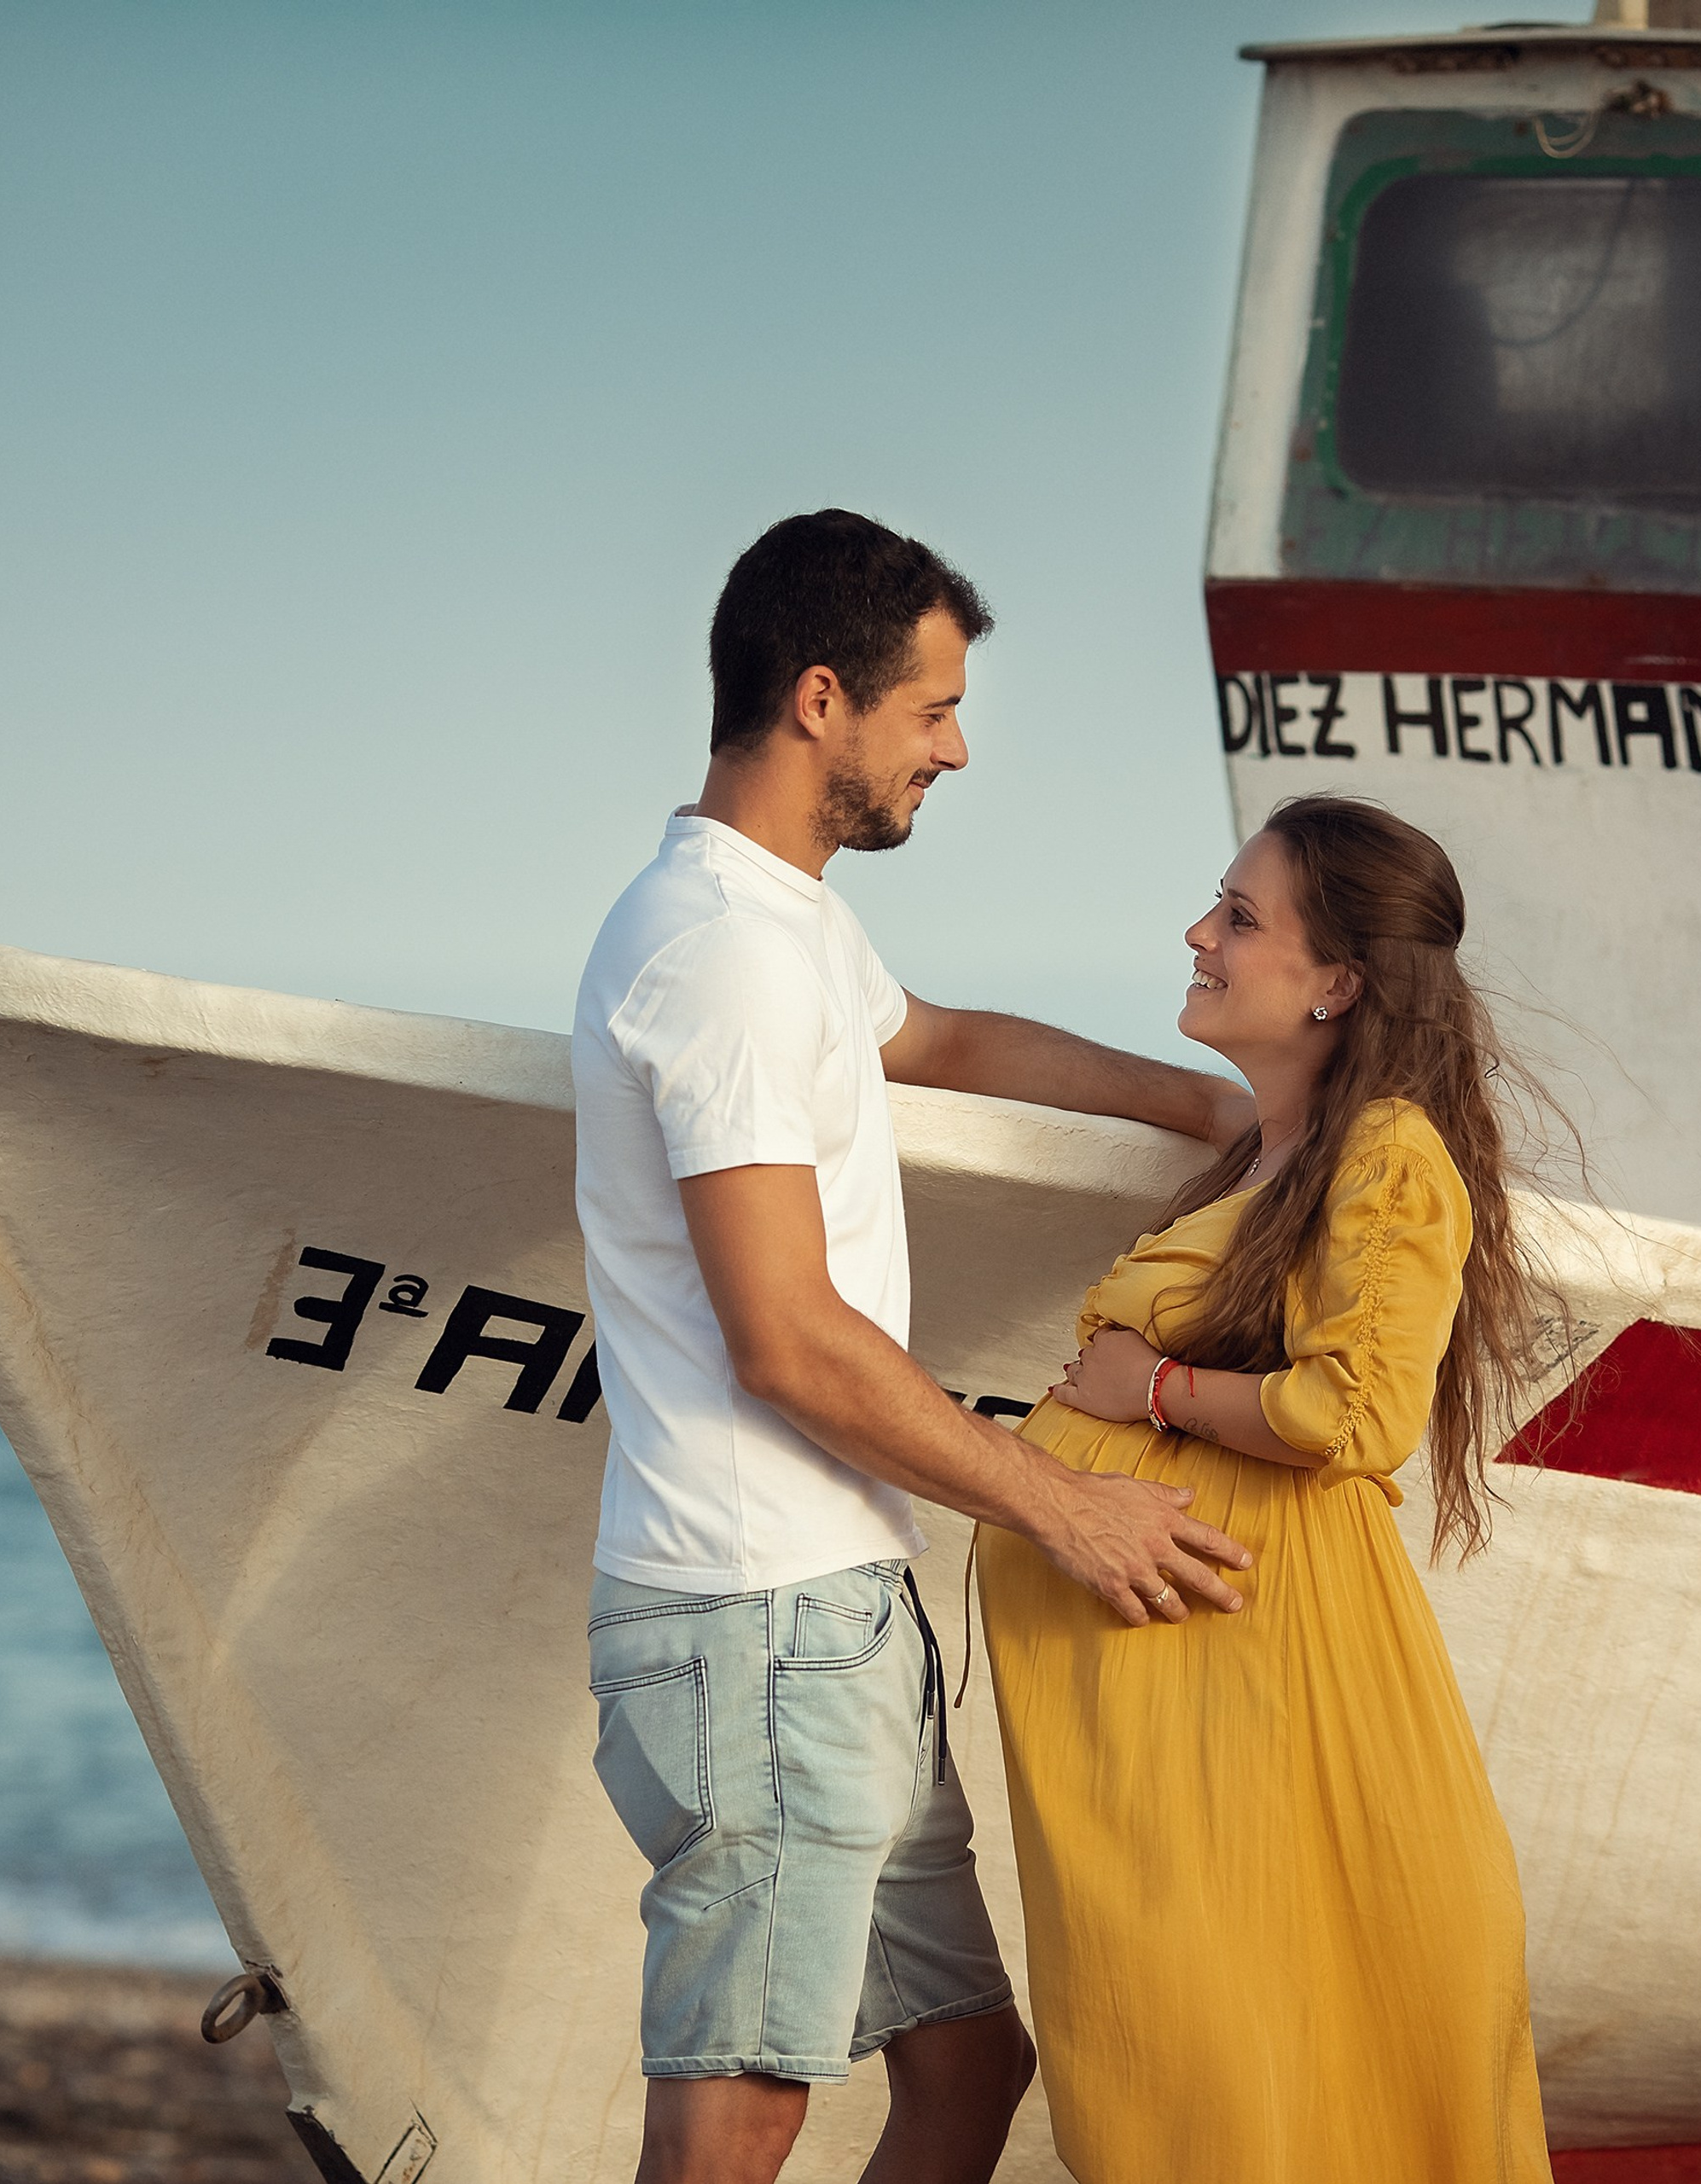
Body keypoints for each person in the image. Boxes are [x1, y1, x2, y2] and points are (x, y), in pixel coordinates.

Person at [572, 508, 1257, 2184]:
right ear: (821, 697)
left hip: (832, 1617)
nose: (953, 749)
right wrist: (1063, 1505)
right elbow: (787, 1341)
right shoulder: (719, 955)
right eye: (932, 709)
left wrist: (1203, 1108)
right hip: (756, 1626)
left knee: (965, 2070)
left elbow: (935, 1037)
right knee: (741, 2114)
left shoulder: (787, 922)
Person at [978, 794, 1557, 2183]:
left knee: (1243, 2080)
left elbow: (1356, 1414)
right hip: (1189, 1709)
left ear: (1337, 982)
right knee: (1203, 2080)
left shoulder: (1388, 1153)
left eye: (1239, 918)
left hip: (1259, 1701)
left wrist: (1153, 1392)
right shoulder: (1270, 1150)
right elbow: (1118, 1082)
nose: (1199, 932)